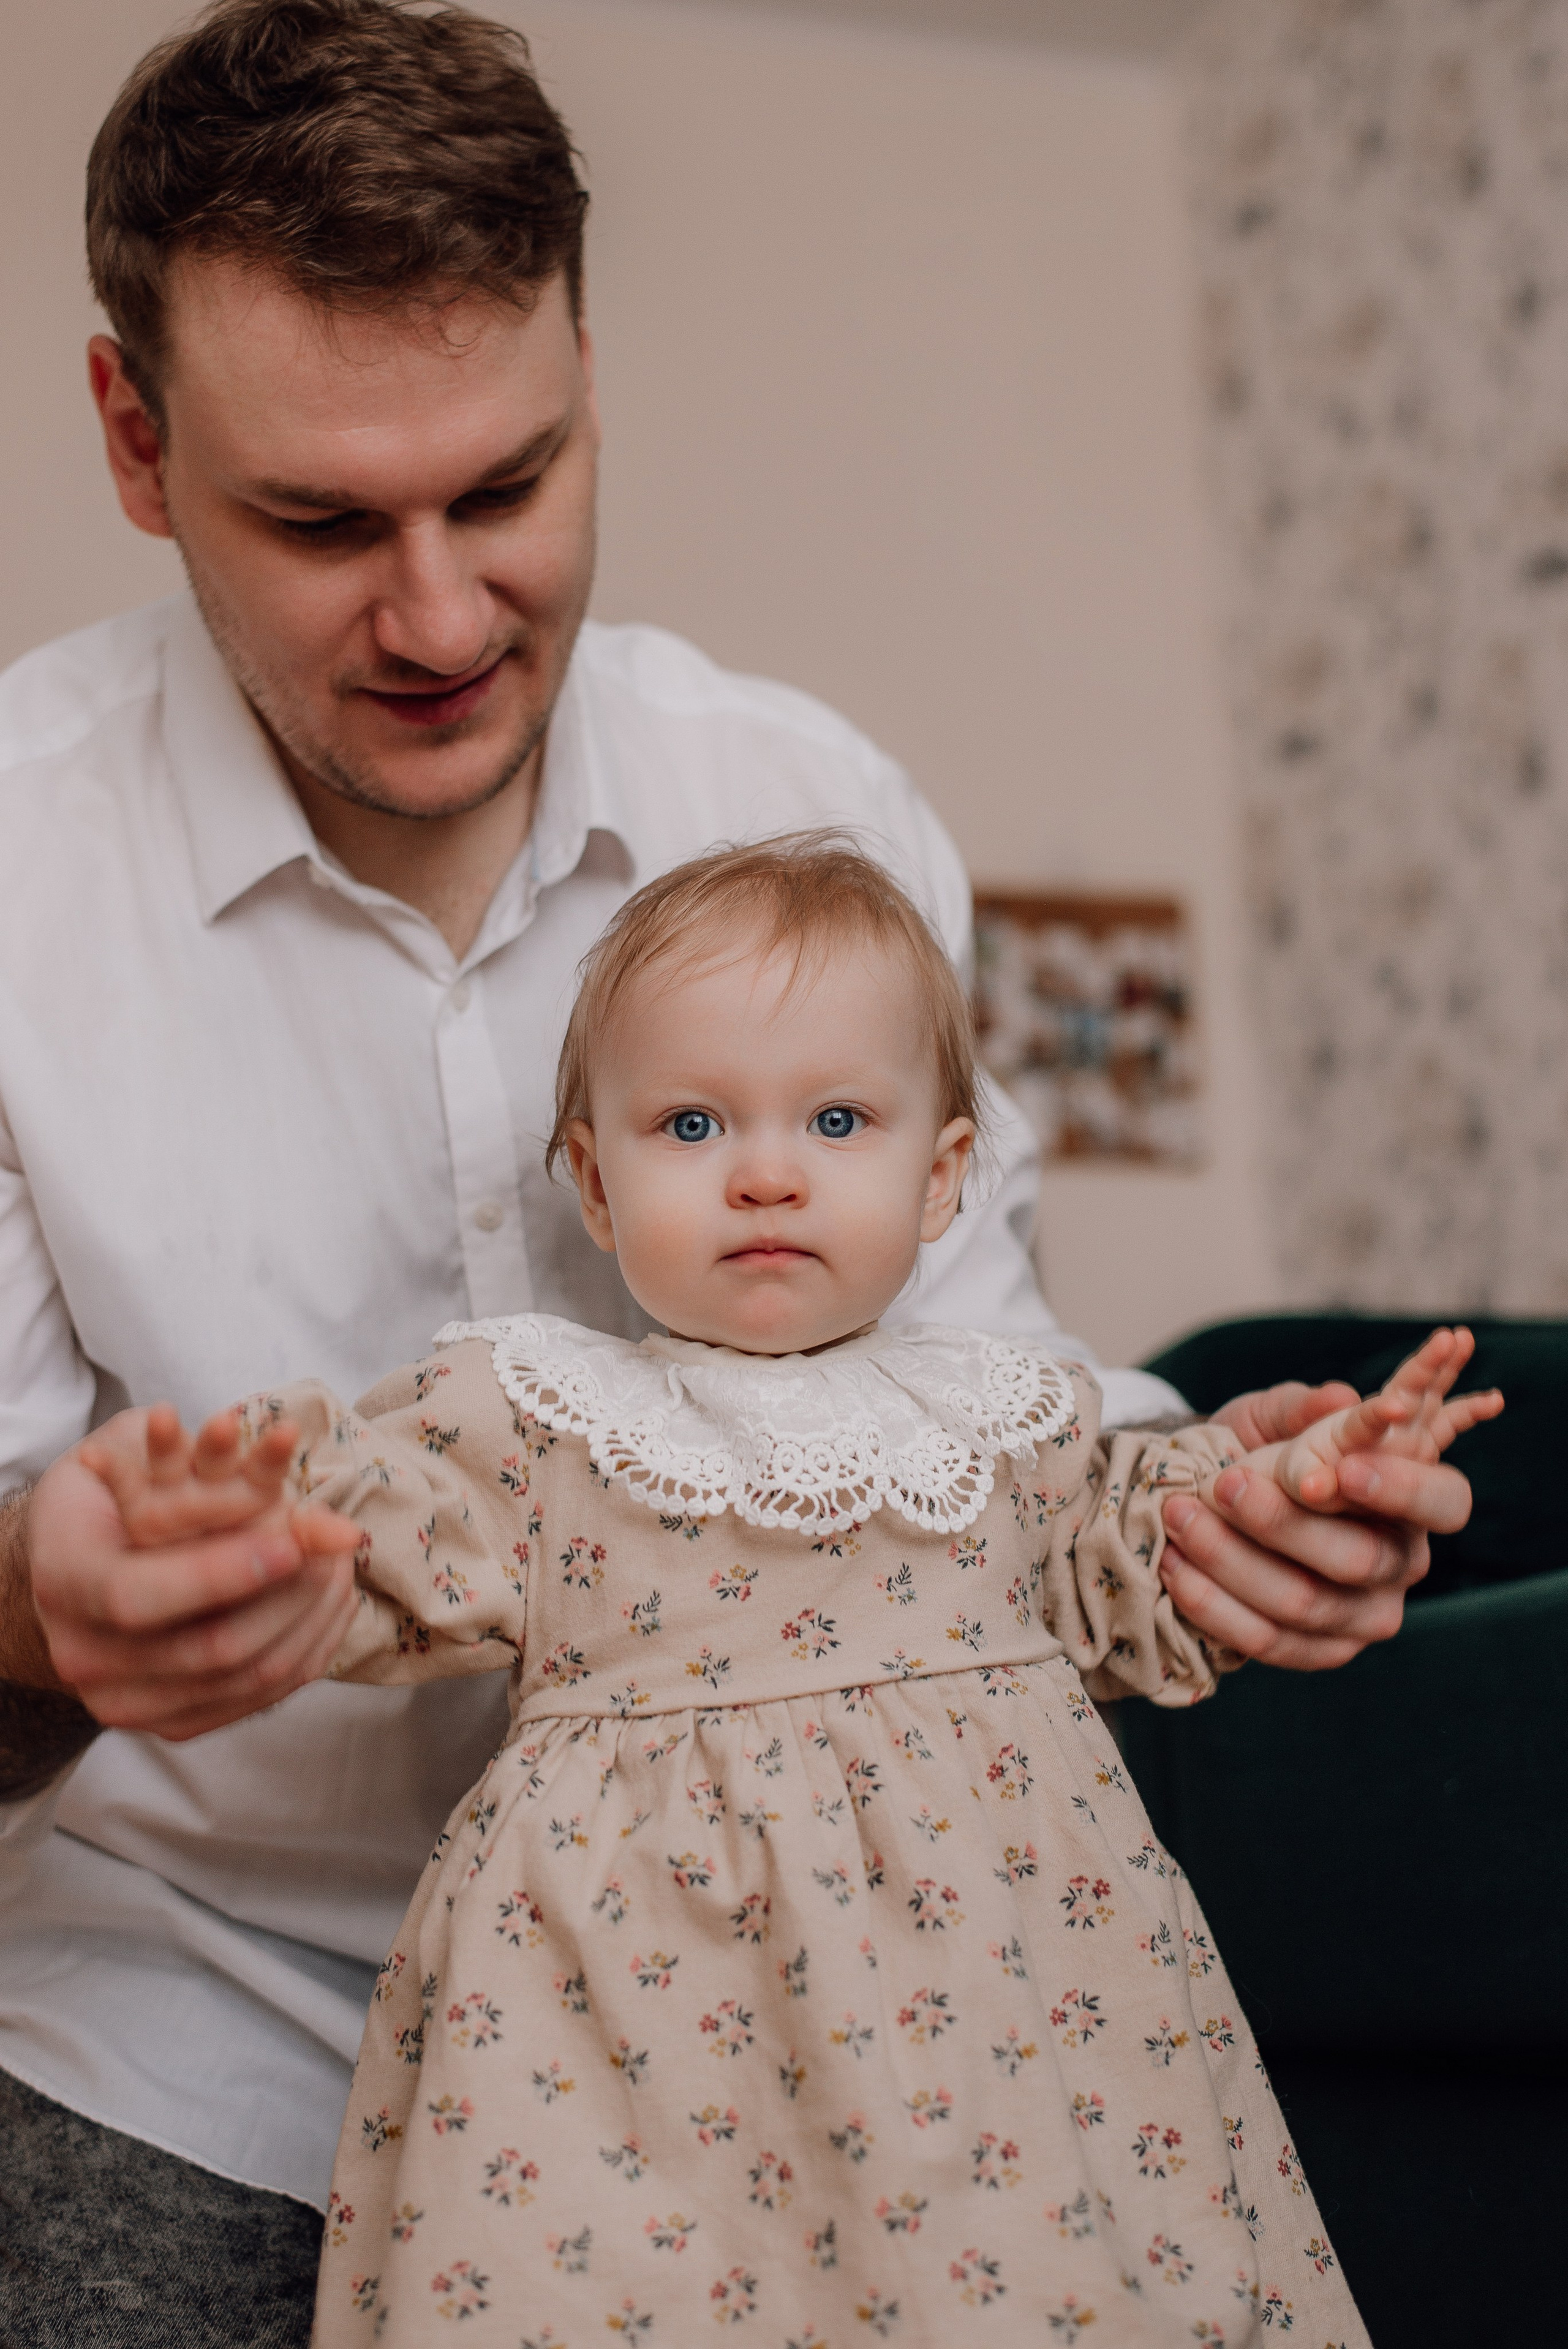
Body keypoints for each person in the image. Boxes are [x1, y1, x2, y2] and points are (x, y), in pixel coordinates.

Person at [0, 3, 1472, 2341]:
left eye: (511, 483)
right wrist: (39, 1611)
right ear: (132, 438)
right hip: (189, 2026)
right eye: (320, 520)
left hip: (871, 2050)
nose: (443, 614)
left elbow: (992, 1419)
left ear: (594, 366)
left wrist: (1215, 1507)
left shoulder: (814, 798)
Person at [85, 838, 1498, 2345]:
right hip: (637, 2024)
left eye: (836, 1118)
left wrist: (1302, 1475)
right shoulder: (538, 1412)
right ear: (595, 1181)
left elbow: (1142, 1558)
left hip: (1005, 2020)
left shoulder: (1013, 1420)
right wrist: (247, 1506)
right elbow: (382, 1537)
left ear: (941, 1170)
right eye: (690, 1122)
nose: (765, 1170)